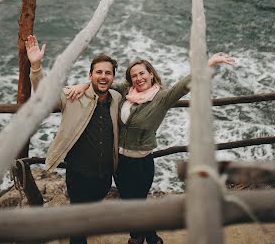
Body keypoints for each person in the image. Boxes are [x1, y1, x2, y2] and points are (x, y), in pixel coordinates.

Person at [67, 51, 235, 244]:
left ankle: (150, 239)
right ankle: (139, 238)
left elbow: (185, 84)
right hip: (119, 163)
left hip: (140, 164)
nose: (138, 78)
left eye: (142, 74)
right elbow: (102, 83)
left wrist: (210, 63)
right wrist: (83, 85)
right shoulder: (125, 92)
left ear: (151, 74)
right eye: (134, 75)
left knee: (136, 205)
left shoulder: (162, 98)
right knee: (131, 205)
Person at [25, 34, 121, 244]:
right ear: (90, 75)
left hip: (105, 175)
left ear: (113, 78)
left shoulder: (116, 98)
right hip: (79, 174)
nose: (103, 76)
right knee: (78, 223)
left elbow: (138, 87)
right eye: (98, 73)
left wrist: (85, 85)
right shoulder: (72, 96)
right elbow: (44, 94)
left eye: (108, 73)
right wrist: (36, 66)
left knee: (89, 213)